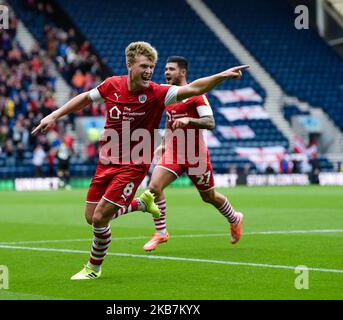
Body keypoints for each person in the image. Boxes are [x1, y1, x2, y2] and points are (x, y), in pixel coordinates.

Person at [32, 41, 248, 280]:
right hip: (107, 162)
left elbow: (195, 89)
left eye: (152, 67)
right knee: (90, 217)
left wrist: (222, 76)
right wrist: (54, 115)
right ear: (129, 65)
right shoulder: (111, 85)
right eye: (144, 66)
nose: (150, 71)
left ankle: (93, 268)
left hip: (135, 164)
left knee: (101, 218)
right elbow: (85, 98)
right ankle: (141, 205)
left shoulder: (159, 93)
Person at [129, 56, 244, 251]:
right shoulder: (170, 96)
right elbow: (169, 121)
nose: (166, 72)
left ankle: (235, 218)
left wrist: (189, 121)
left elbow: (210, 122)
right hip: (174, 152)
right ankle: (161, 233)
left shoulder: (196, 96)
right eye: (165, 69)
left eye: (171, 69)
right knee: (154, 187)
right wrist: (163, 144)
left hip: (196, 155)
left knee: (208, 197)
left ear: (182, 72)